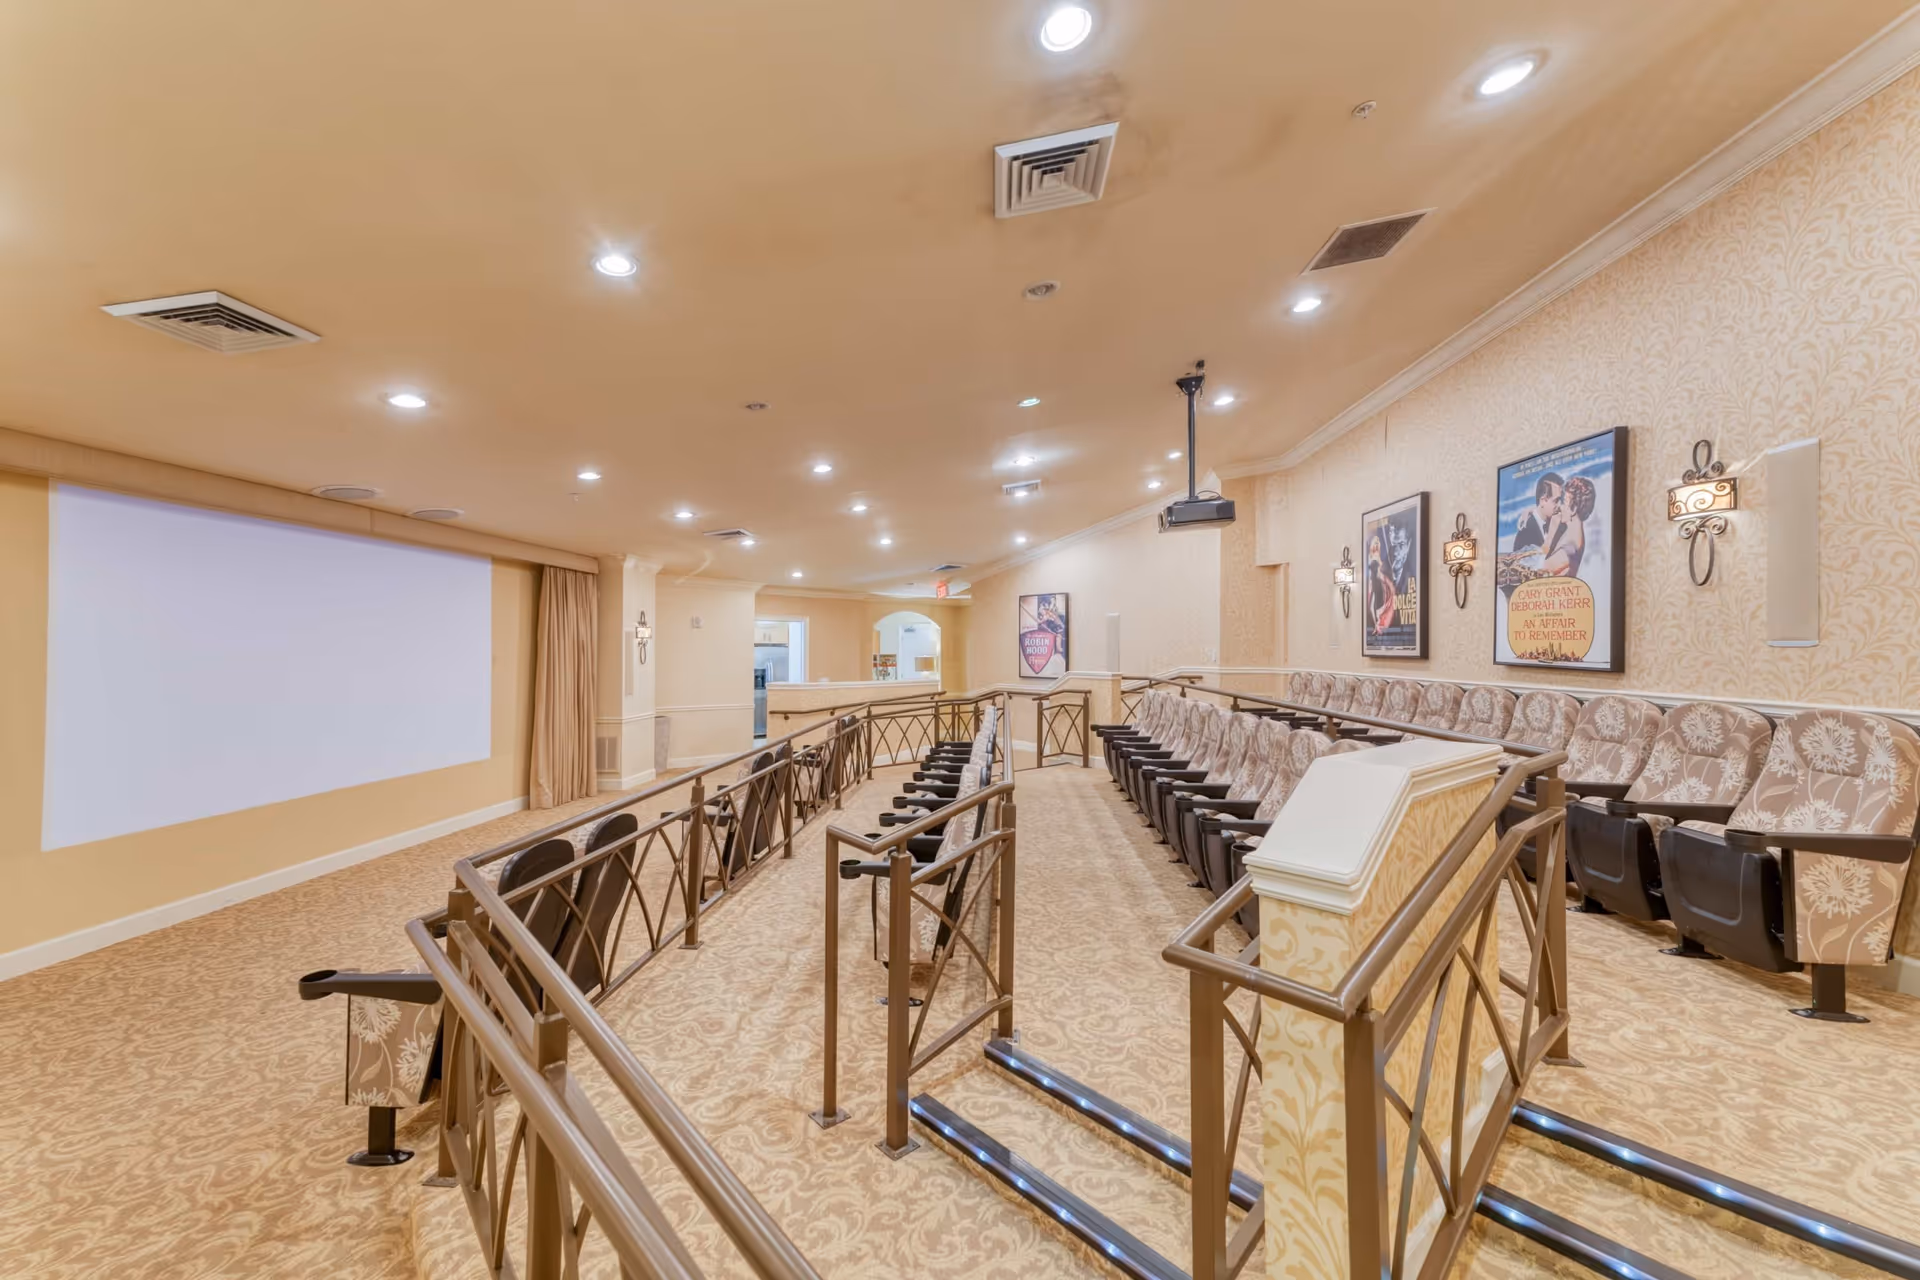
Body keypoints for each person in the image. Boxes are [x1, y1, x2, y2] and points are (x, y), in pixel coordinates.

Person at [1538, 475, 1594, 577]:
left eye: (1564, 502)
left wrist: (1550, 535)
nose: (1560, 506)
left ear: (1574, 509)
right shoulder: (1574, 534)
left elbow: (1534, 573)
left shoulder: (1568, 548)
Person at [1366, 532, 1397, 636]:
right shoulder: (1369, 557)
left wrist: (1381, 576)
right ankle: (1376, 626)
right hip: (1372, 583)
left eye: (1377, 543)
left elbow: (1380, 569)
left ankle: (1378, 626)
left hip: (1377, 582)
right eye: (1374, 543)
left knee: (1377, 606)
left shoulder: (1377, 557)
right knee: (1371, 607)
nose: (1375, 545)